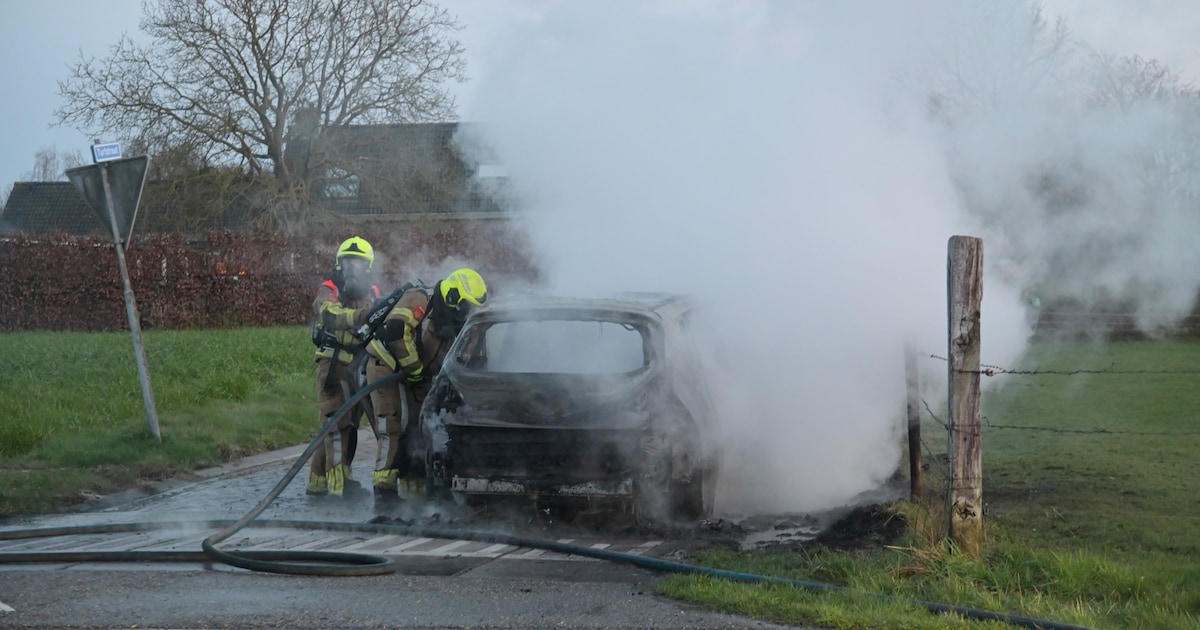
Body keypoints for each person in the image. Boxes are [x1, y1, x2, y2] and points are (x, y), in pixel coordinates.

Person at [365, 267, 489, 504]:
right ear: (453, 298)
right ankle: (384, 490)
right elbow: (397, 331)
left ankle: (416, 487)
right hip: (386, 367)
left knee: (420, 426)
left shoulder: (450, 318)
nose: (467, 314)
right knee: (392, 424)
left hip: (415, 374)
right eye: (467, 307)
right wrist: (414, 369)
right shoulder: (420, 298)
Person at [307, 236, 381, 498]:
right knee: (336, 427)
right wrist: (360, 317)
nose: (352, 266)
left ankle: (317, 484)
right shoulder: (329, 288)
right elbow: (329, 315)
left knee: (342, 424)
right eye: (347, 261)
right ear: (339, 263)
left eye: (358, 262)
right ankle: (339, 490)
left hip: (358, 367)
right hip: (333, 365)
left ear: (368, 266)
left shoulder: (373, 292)